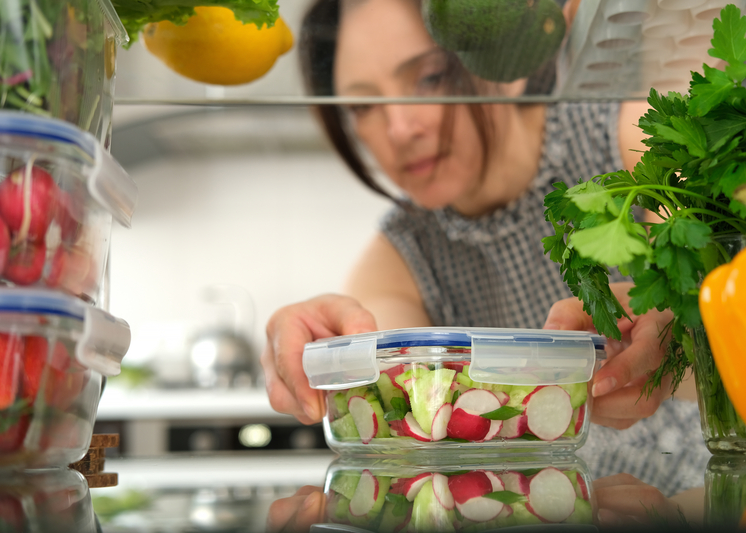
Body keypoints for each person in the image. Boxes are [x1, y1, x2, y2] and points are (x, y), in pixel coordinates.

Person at [262, 0, 709, 487]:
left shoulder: (631, 136)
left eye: (429, 78)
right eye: (363, 105)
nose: (399, 129)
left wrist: (682, 331)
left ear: (505, 66)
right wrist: (327, 348)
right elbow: (390, 390)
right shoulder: (400, 254)